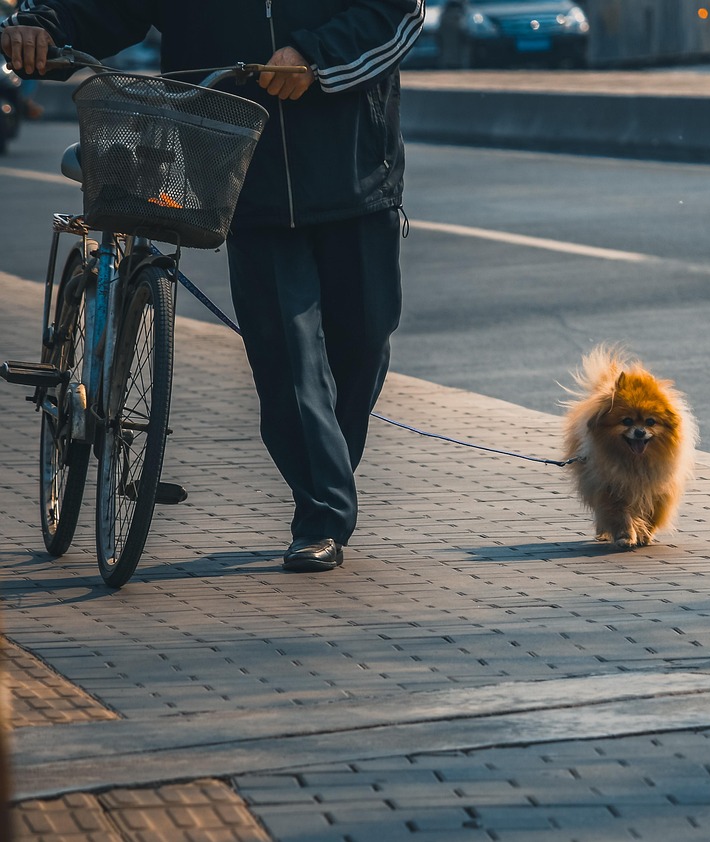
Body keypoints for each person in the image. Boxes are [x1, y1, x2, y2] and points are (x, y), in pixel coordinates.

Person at [1, 1, 426, 573]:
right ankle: (321, 514)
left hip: (358, 175)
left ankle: (325, 482)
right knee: (287, 359)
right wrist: (44, 27)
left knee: (364, 343)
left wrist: (314, 57)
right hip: (244, 177)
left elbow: (399, 12)